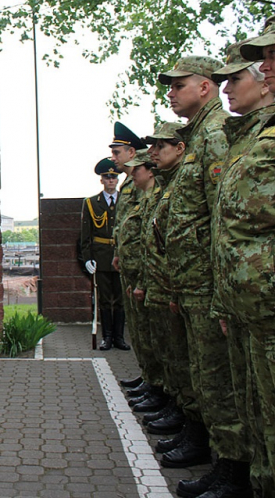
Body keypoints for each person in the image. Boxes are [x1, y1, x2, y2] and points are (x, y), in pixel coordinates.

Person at [158, 55, 247, 478]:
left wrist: (219, 291)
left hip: (208, 285)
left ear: (205, 87)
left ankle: (229, 469)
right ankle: (210, 449)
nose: (171, 93)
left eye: (178, 85)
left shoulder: (213, 135)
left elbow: (219, 218)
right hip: (192, 283)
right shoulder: (198, 138)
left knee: (215, 380)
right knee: (203, 374)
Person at [206, 38, 275, 497]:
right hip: (250, 303)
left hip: (265, 303)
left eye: (236, 77)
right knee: (258, 416)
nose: (266, 67)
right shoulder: (247, 137)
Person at [133, 124, 195, 446]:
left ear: (180, 147)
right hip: (166, 286)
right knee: (173, 355)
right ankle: (174, 404)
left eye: (161, 146)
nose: (154, 152)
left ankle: (189, 423)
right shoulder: (165, 187)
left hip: (187, 289)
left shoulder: (177, 183)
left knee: (188, 362)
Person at [108, 122, 151, 385]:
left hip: (141, 264)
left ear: (132, 151)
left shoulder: (142, 176)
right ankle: (149, 377)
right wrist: (118, 252)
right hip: (129, 262)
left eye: (117, 152)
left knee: (148, 329)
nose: (113, 158)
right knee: (139, 329)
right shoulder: (129, 180)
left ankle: (155, 384)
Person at [80, 158, 127, 351]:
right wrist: (87, 258)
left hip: (122, 256)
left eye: (114, 177)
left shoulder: (126, 201)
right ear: (101, 180)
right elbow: (86, 235)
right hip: (101, 257)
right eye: (107, 177)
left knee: (121, 299)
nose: (110, 181)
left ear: (117, 180)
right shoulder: (91, 203)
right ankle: (107, 337)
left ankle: (119, 337)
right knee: (105, 299)